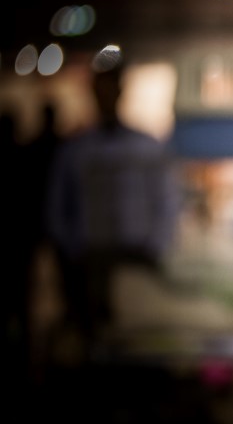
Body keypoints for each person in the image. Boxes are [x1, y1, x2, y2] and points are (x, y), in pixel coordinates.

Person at [46, 53, 181, 345]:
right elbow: (58, 206)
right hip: (90, 258)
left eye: (111, 88)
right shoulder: (76, 149)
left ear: (120, 90)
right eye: (100, 88)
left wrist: (155, 247)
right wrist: (73, 249)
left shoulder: (146, 147)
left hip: (138, 255)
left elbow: (166, 201)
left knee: (138, 339)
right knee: (93, 342)